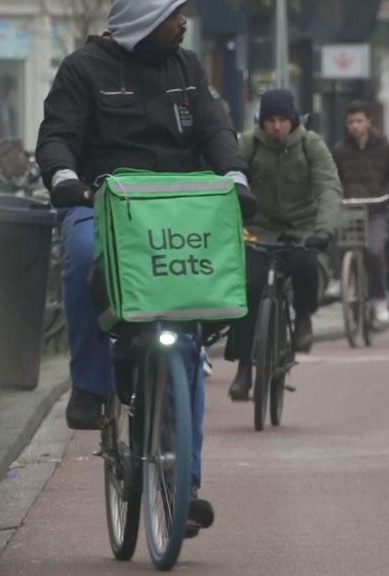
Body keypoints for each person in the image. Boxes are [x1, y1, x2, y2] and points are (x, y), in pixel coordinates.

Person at [35, 0, 256, 528]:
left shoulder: (186, 68)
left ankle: (185, 482)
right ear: (145, 18)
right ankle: (90, 385)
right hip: (102, 203)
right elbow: (58, 134)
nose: (183, 22)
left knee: (186, 342)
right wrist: (63, 174)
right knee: (86, 255)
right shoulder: (83, 69)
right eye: (174, 14)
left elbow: (214, 129)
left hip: (175, 208)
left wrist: (236, 174)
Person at [226, 89, 342, 400]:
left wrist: (324, 229)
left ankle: (303, 317)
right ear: (261, 122)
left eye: (282, 120)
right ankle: (243, 368)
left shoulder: (311, 145)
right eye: (270, 121)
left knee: (307, 266)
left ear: (293, 121)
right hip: (258, 230)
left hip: (302, 230)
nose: (277, 127)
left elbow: (329, 187)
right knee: (247, 288)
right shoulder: (247, 144)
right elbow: (227, 181)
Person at [332, 101, 389, 330]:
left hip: (376, 210)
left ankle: (378, 300)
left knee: (375, 249)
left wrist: (388, 195)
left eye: (359, 121)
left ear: (369, 122)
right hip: (349, 209)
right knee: (333, 238)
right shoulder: (339, 150)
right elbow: (331, 178)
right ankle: (340, 279)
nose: (354, 126)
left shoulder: (385, 149)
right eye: (350, 122)